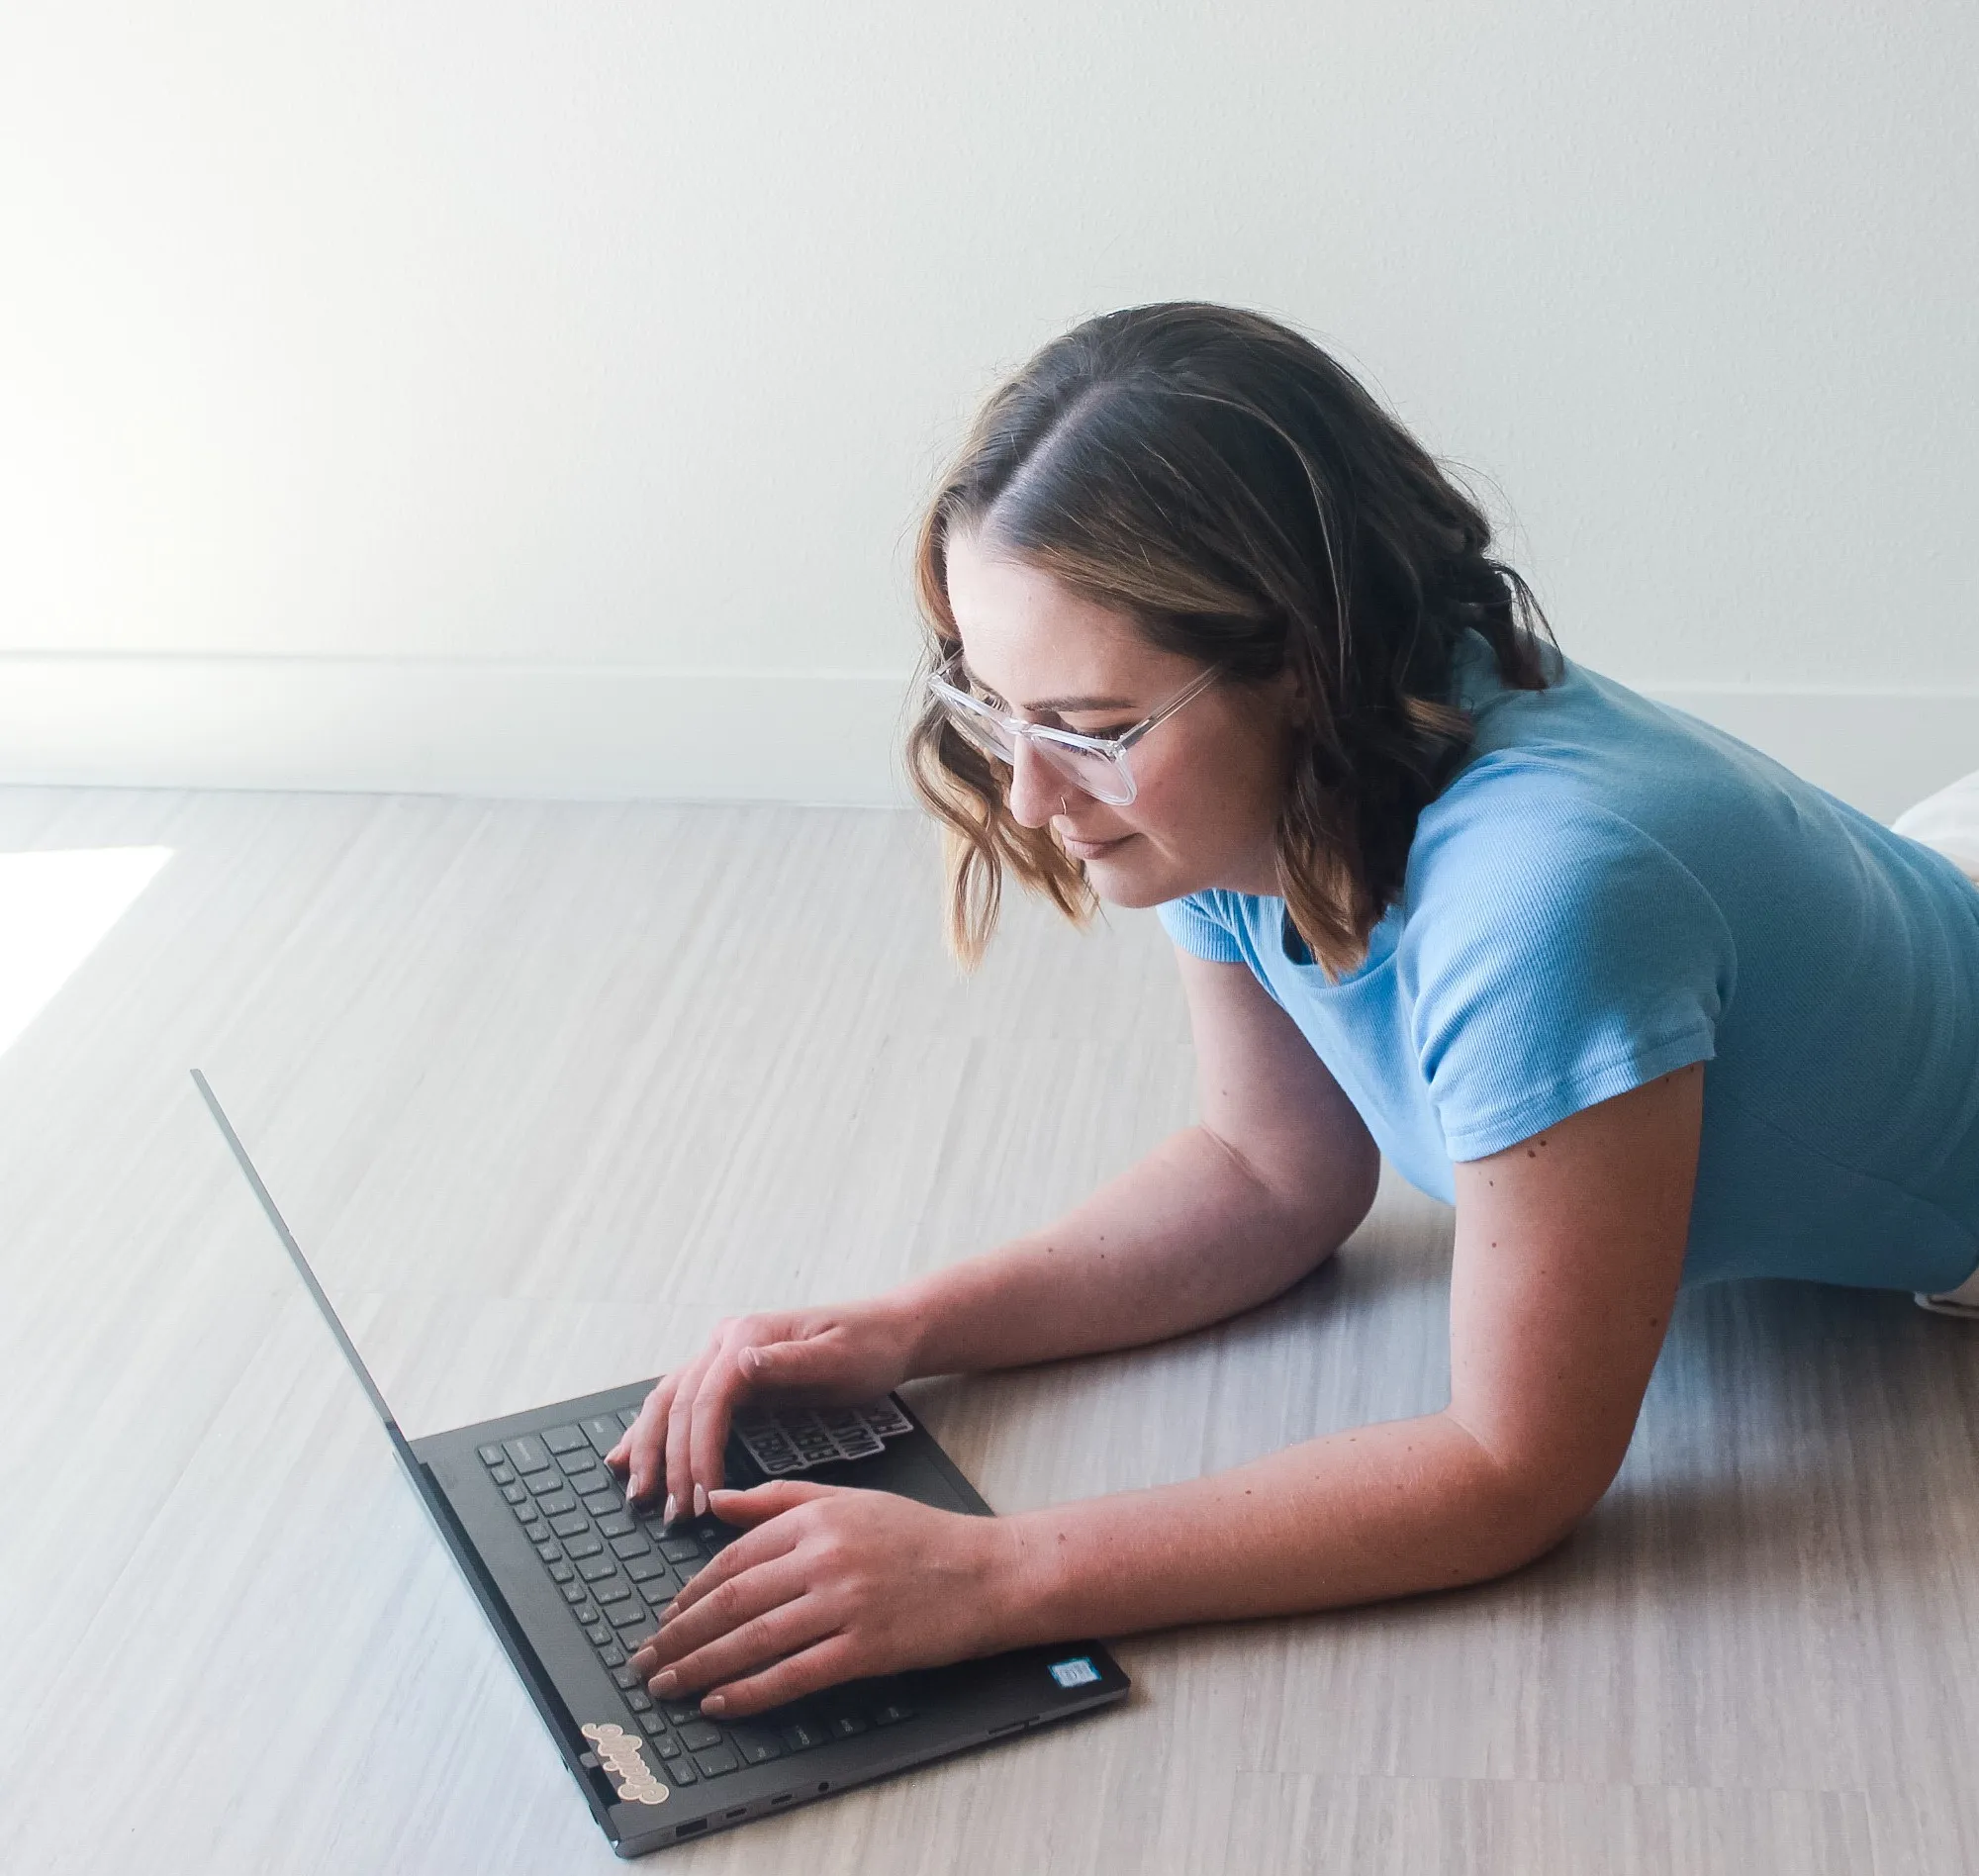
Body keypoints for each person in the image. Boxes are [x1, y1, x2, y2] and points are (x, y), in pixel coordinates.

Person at [608, 303, 1979, 1720]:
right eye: (997, 709)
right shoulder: (1250, 785)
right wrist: (903, 1329)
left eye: (1089, 728)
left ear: (1302, 668)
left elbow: (1513, 1471)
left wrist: (1001, 1575)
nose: (1031, 796)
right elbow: (1271, 1174)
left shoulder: (1547, 903)